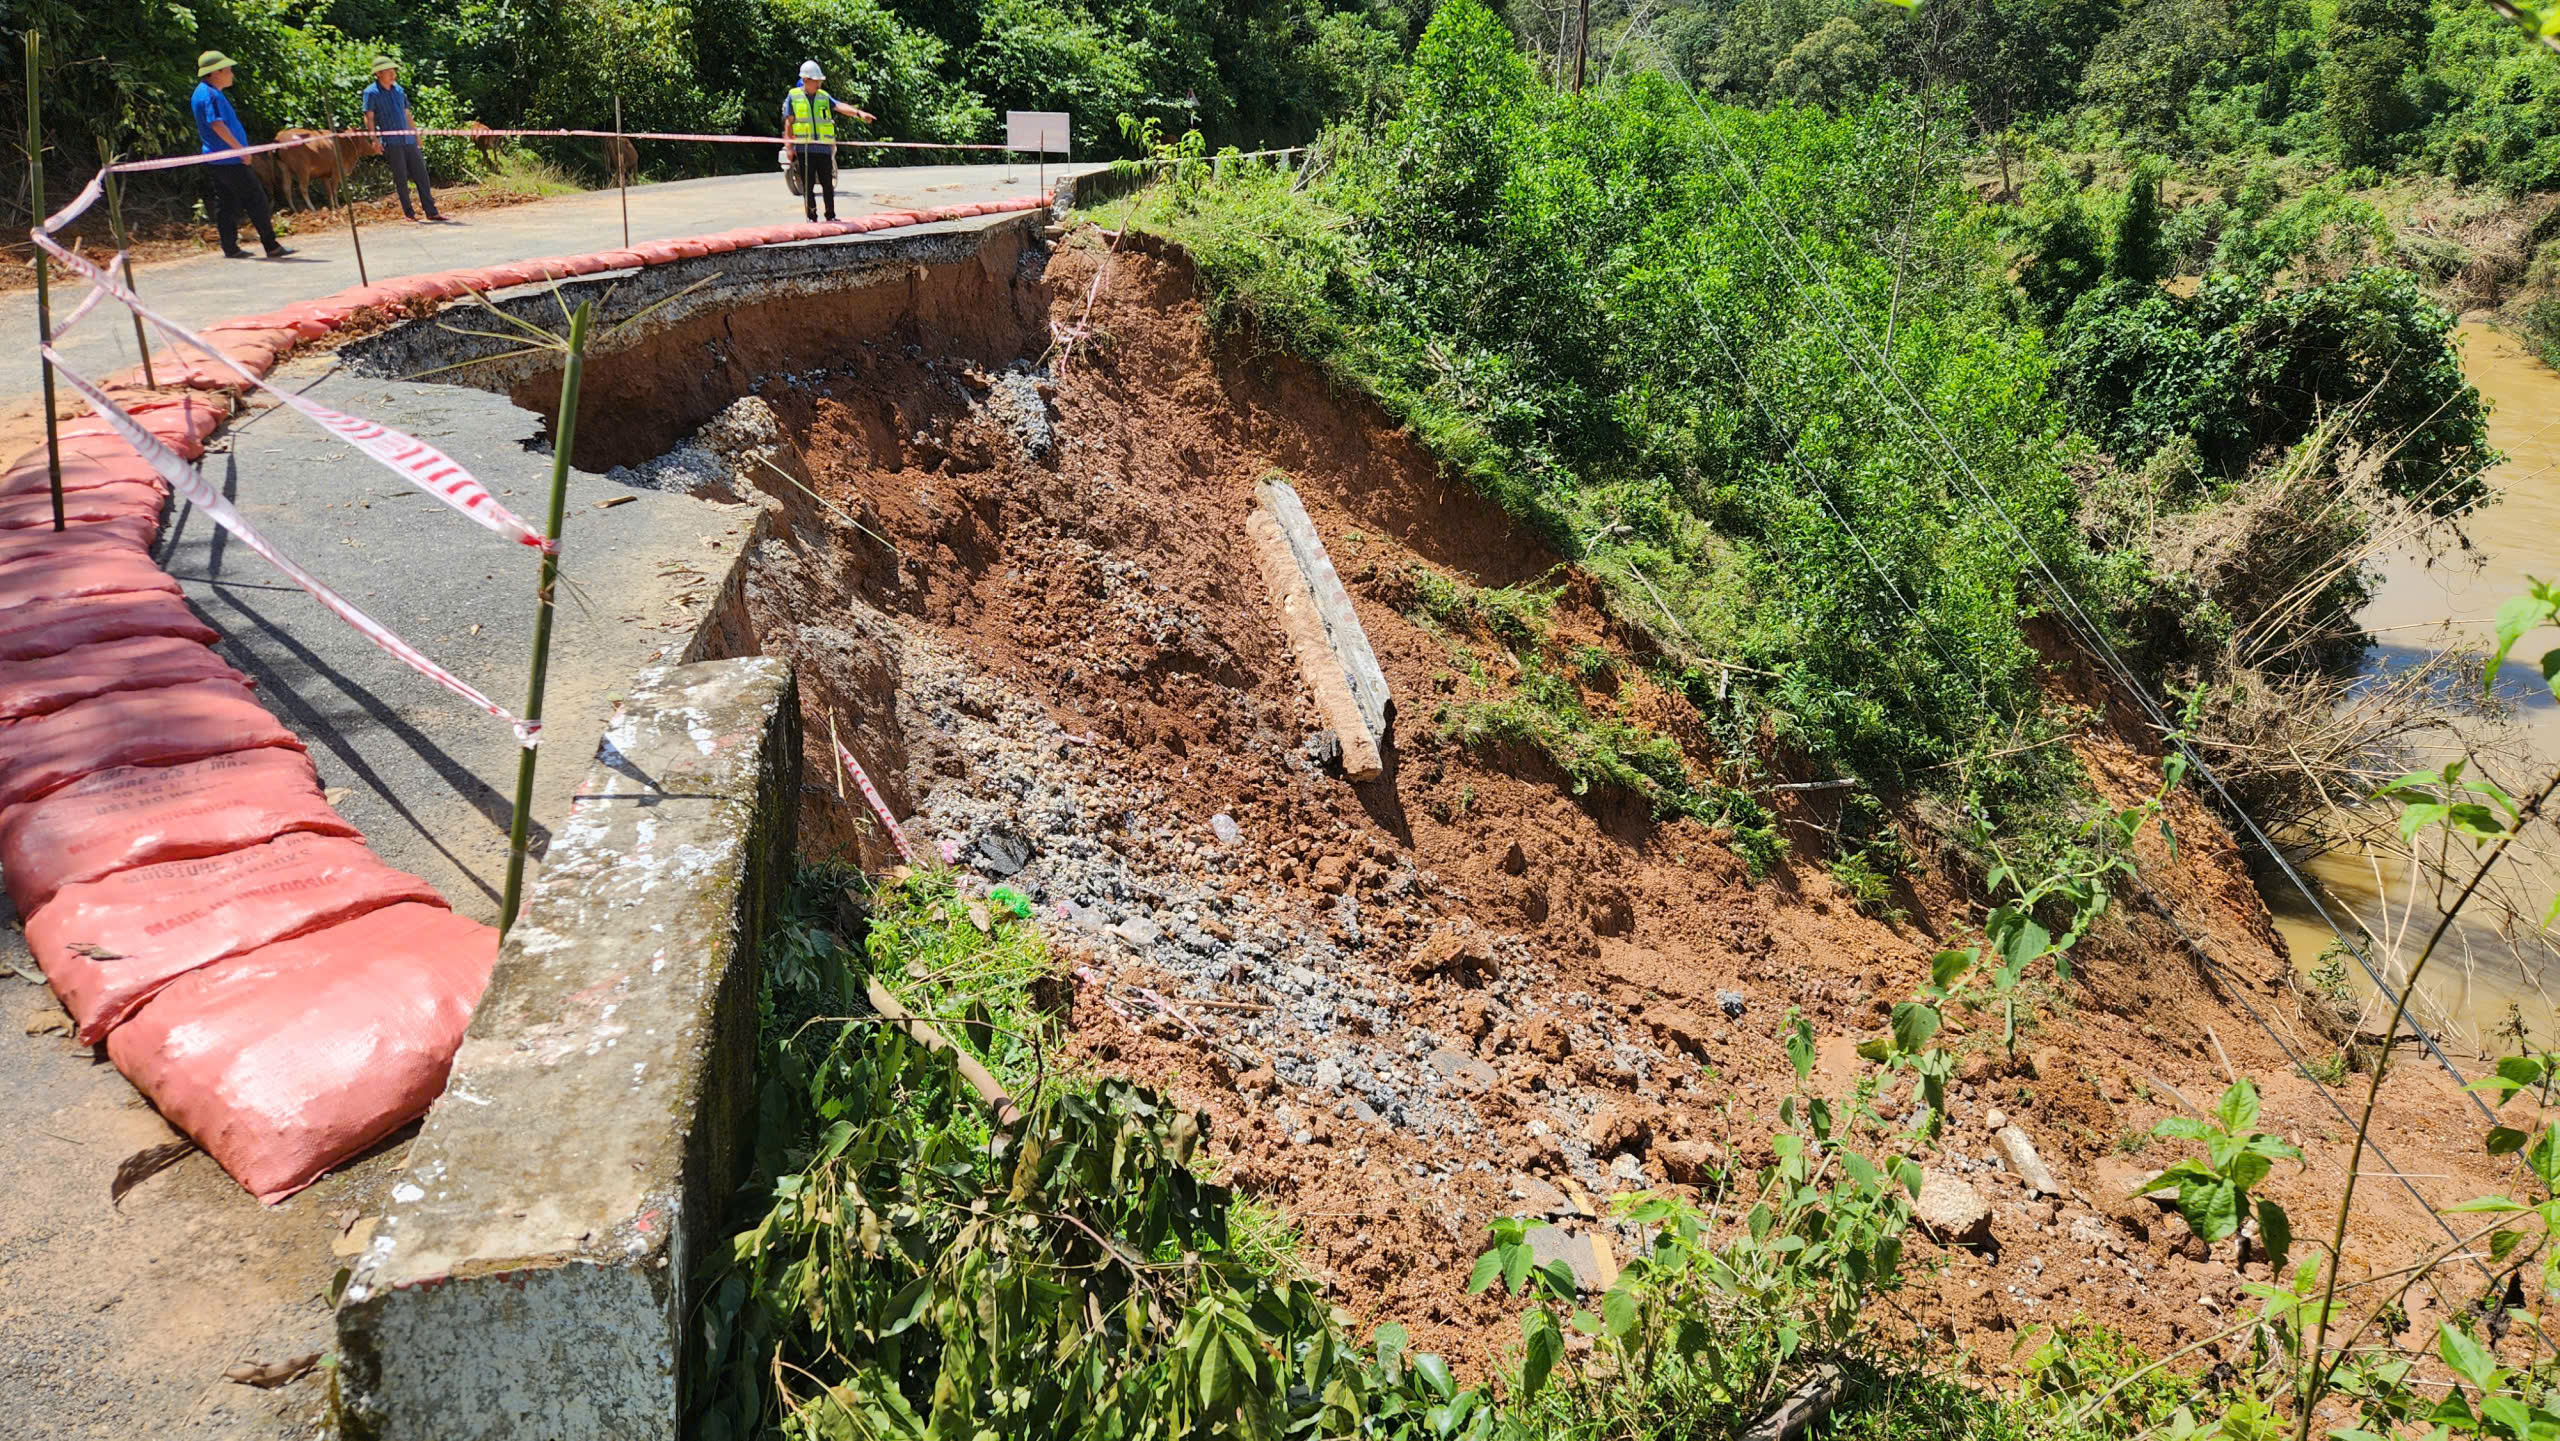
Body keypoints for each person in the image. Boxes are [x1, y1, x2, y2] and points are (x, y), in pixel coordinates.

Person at [190, 52, 293, 259]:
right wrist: (240, 149)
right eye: (227, 70)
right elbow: (217, 124)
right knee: (256, 198)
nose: (231, 74)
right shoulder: (210, 94)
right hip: (229, 160)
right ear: (215, 72)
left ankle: (230, 247)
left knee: (227, 203)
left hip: (217, 159)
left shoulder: (202, 92)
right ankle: (271, 245)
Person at [782, 61, 874, 223]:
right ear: (805, 80)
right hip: (805, 148)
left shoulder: (824, 96)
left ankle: (830, 215)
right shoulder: (794, 96)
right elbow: (789, 122)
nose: (819, 83)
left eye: (820, 81)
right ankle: (812, 217)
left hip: (824, 148)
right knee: (807, 186)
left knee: (827, 184)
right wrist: (789, 147)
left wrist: (859, 113)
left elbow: (839, 106)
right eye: (816, 81)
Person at [362, 57, 444, 223]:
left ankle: (431, 211)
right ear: (378, 74)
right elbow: (369, 117)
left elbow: (407, 114)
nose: (393, 74)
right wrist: (374, 140)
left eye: (394, 71)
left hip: (408, 140)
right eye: (388, 71)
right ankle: (409, 213)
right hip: (391, 142)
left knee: (422, 174)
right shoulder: (370, 92)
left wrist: (416, 135)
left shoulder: (399, 90)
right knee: (401, 177)